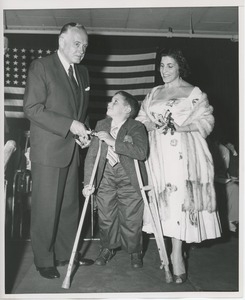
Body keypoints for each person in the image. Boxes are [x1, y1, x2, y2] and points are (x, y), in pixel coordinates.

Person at [136, 48, 221, 283]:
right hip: (157, 156)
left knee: (179, 201)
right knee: (164, 201)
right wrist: (152, 125)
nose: (164, 70)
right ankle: (169, 250)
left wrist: (181, 127)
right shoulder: (154, 92)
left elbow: (207, 119)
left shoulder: (193, 93)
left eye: (170, 66)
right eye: (162, 66)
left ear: (180, 67)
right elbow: (141, 119)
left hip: (183, 154)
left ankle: (176, 255)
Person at [23, 23, 93, 279]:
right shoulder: (41, 67)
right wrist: (69, 125)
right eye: (77, 43)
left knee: (69, 207)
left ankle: (67, 253)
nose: (82, 49)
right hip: (48, 151)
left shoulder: (83, 73)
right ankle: (44, 259)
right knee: (46, 208)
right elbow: (31, 108)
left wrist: (83, 132)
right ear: (62, 41)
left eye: (85, 46)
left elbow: (80, 112)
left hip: (72, 150)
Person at [83, 91, 148, 268]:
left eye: (115, 101)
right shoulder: (102, 124)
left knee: (131, 216)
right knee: (105, 214)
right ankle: (108, 247)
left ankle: (134, 250)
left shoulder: (136, 127)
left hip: (128, 176)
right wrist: (88, 182)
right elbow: (92, 156)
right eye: (111, 101)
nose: (110, 103)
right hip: (105, 175)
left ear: (127, 109)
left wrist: (113, 142)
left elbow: (141, 152)